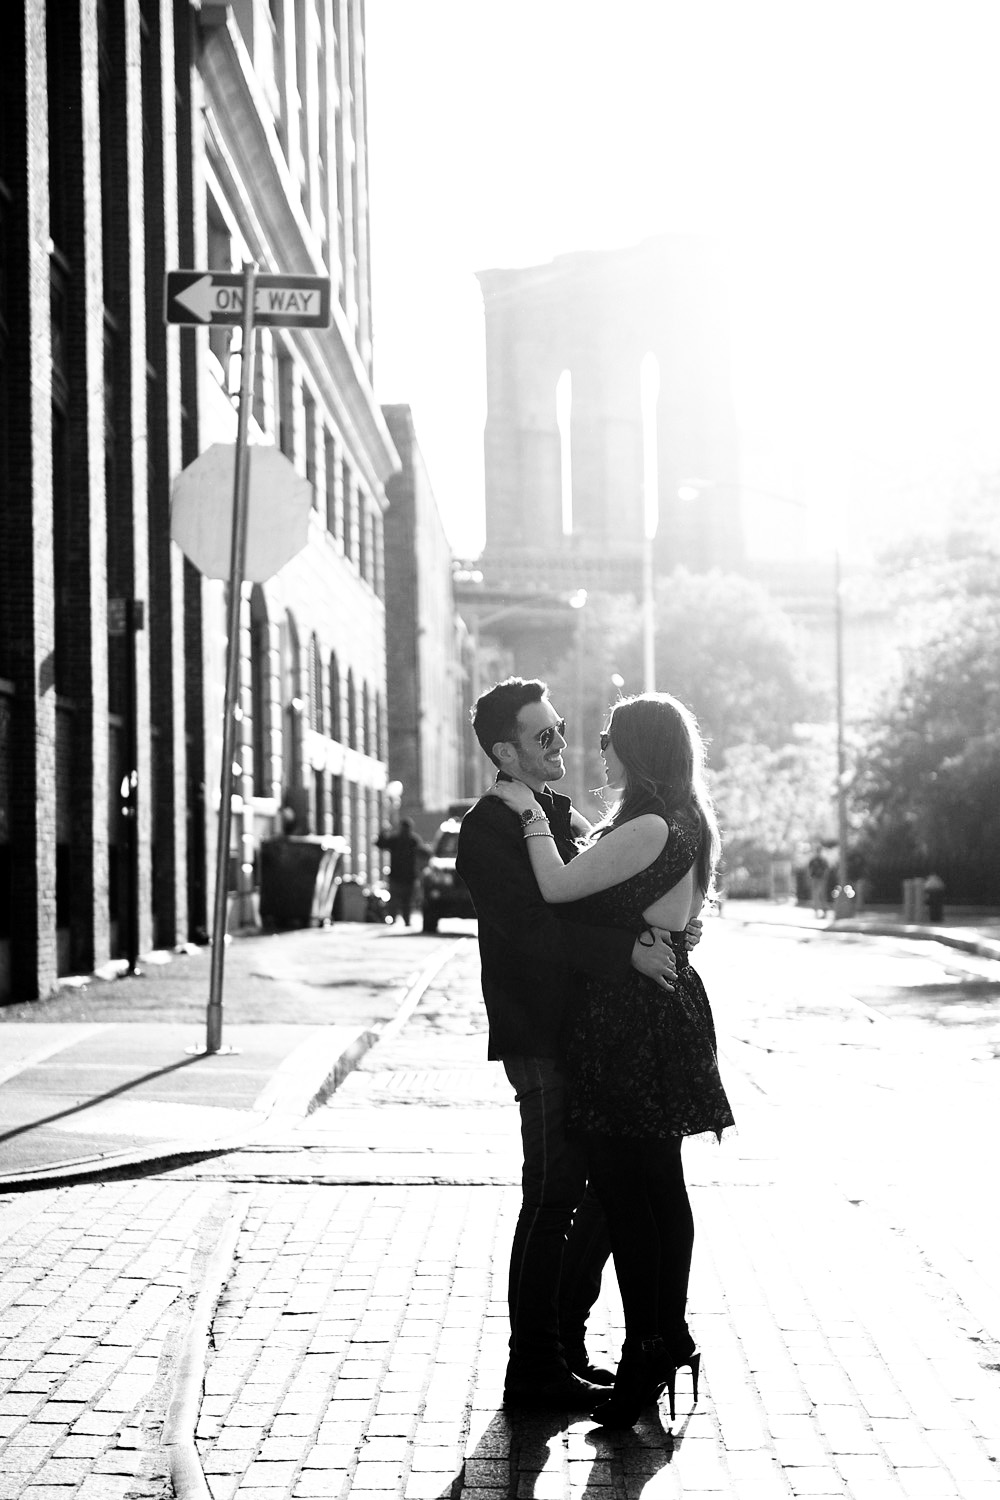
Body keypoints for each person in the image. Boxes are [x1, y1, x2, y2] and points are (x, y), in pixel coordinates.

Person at [490, 691, 735, 1429]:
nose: (597, 747)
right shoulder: (679, 818)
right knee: (657, 1187)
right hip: (655, 1016)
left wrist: (530, 814)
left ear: (640, 747)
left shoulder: (654, 823)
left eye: (607, 736)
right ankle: (664, 1339)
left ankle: (647, 1350)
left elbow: (558, 886)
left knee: (634, 1196)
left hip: (632, 1026)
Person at [375, 817, 430, 926]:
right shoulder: (412, 840)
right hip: (405, 877)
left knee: (400, 901)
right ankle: (403, 920)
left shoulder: (401, 840)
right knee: (404, 901)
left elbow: (380, 843)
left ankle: (397, 920)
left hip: (401, 876)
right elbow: (425, 853)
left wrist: (383, 833)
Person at [807, 846, 830, 917]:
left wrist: (824, 877)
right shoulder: (813, 860)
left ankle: (824, 911)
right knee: (815, 895)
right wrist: (810, 878)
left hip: (821, 879)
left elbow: (826, 870)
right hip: (815, 879)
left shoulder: (823, 860)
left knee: (822, 895)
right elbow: (809, 869)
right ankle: (816, 912)